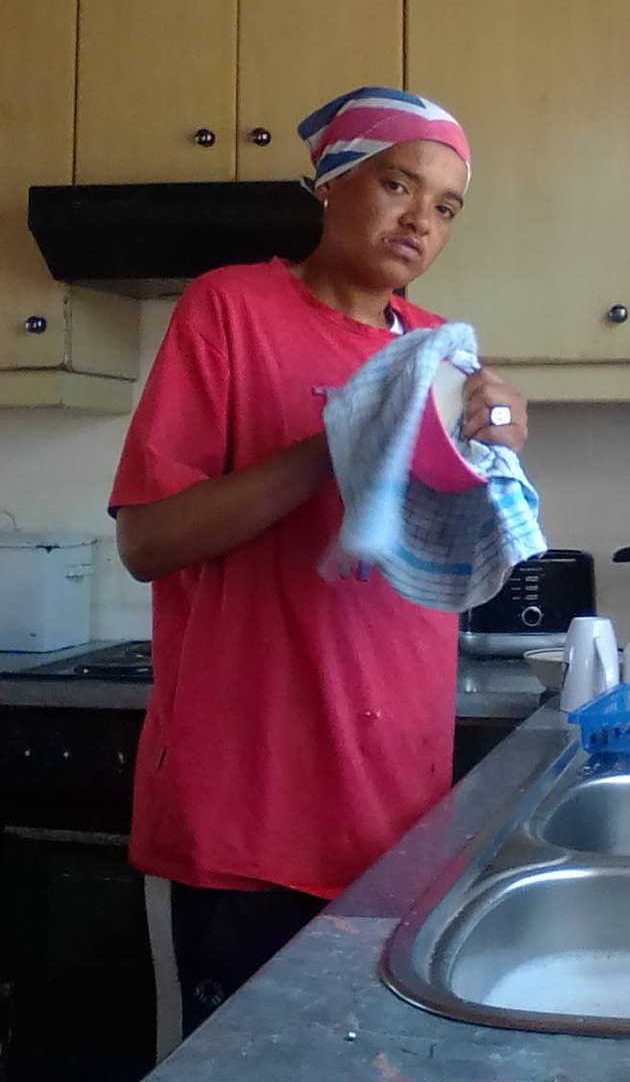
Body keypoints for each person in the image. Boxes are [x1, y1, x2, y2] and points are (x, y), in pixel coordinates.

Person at [109, 86, 527, 1039]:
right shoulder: (229, 309)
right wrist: (338, 440)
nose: (422, 219)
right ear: (333, 183)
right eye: (397, 183)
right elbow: (148, 541)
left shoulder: (436, 349)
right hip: (246, 816)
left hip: (395, 815)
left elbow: (452, 547)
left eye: (447, 205)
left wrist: (496, 441)